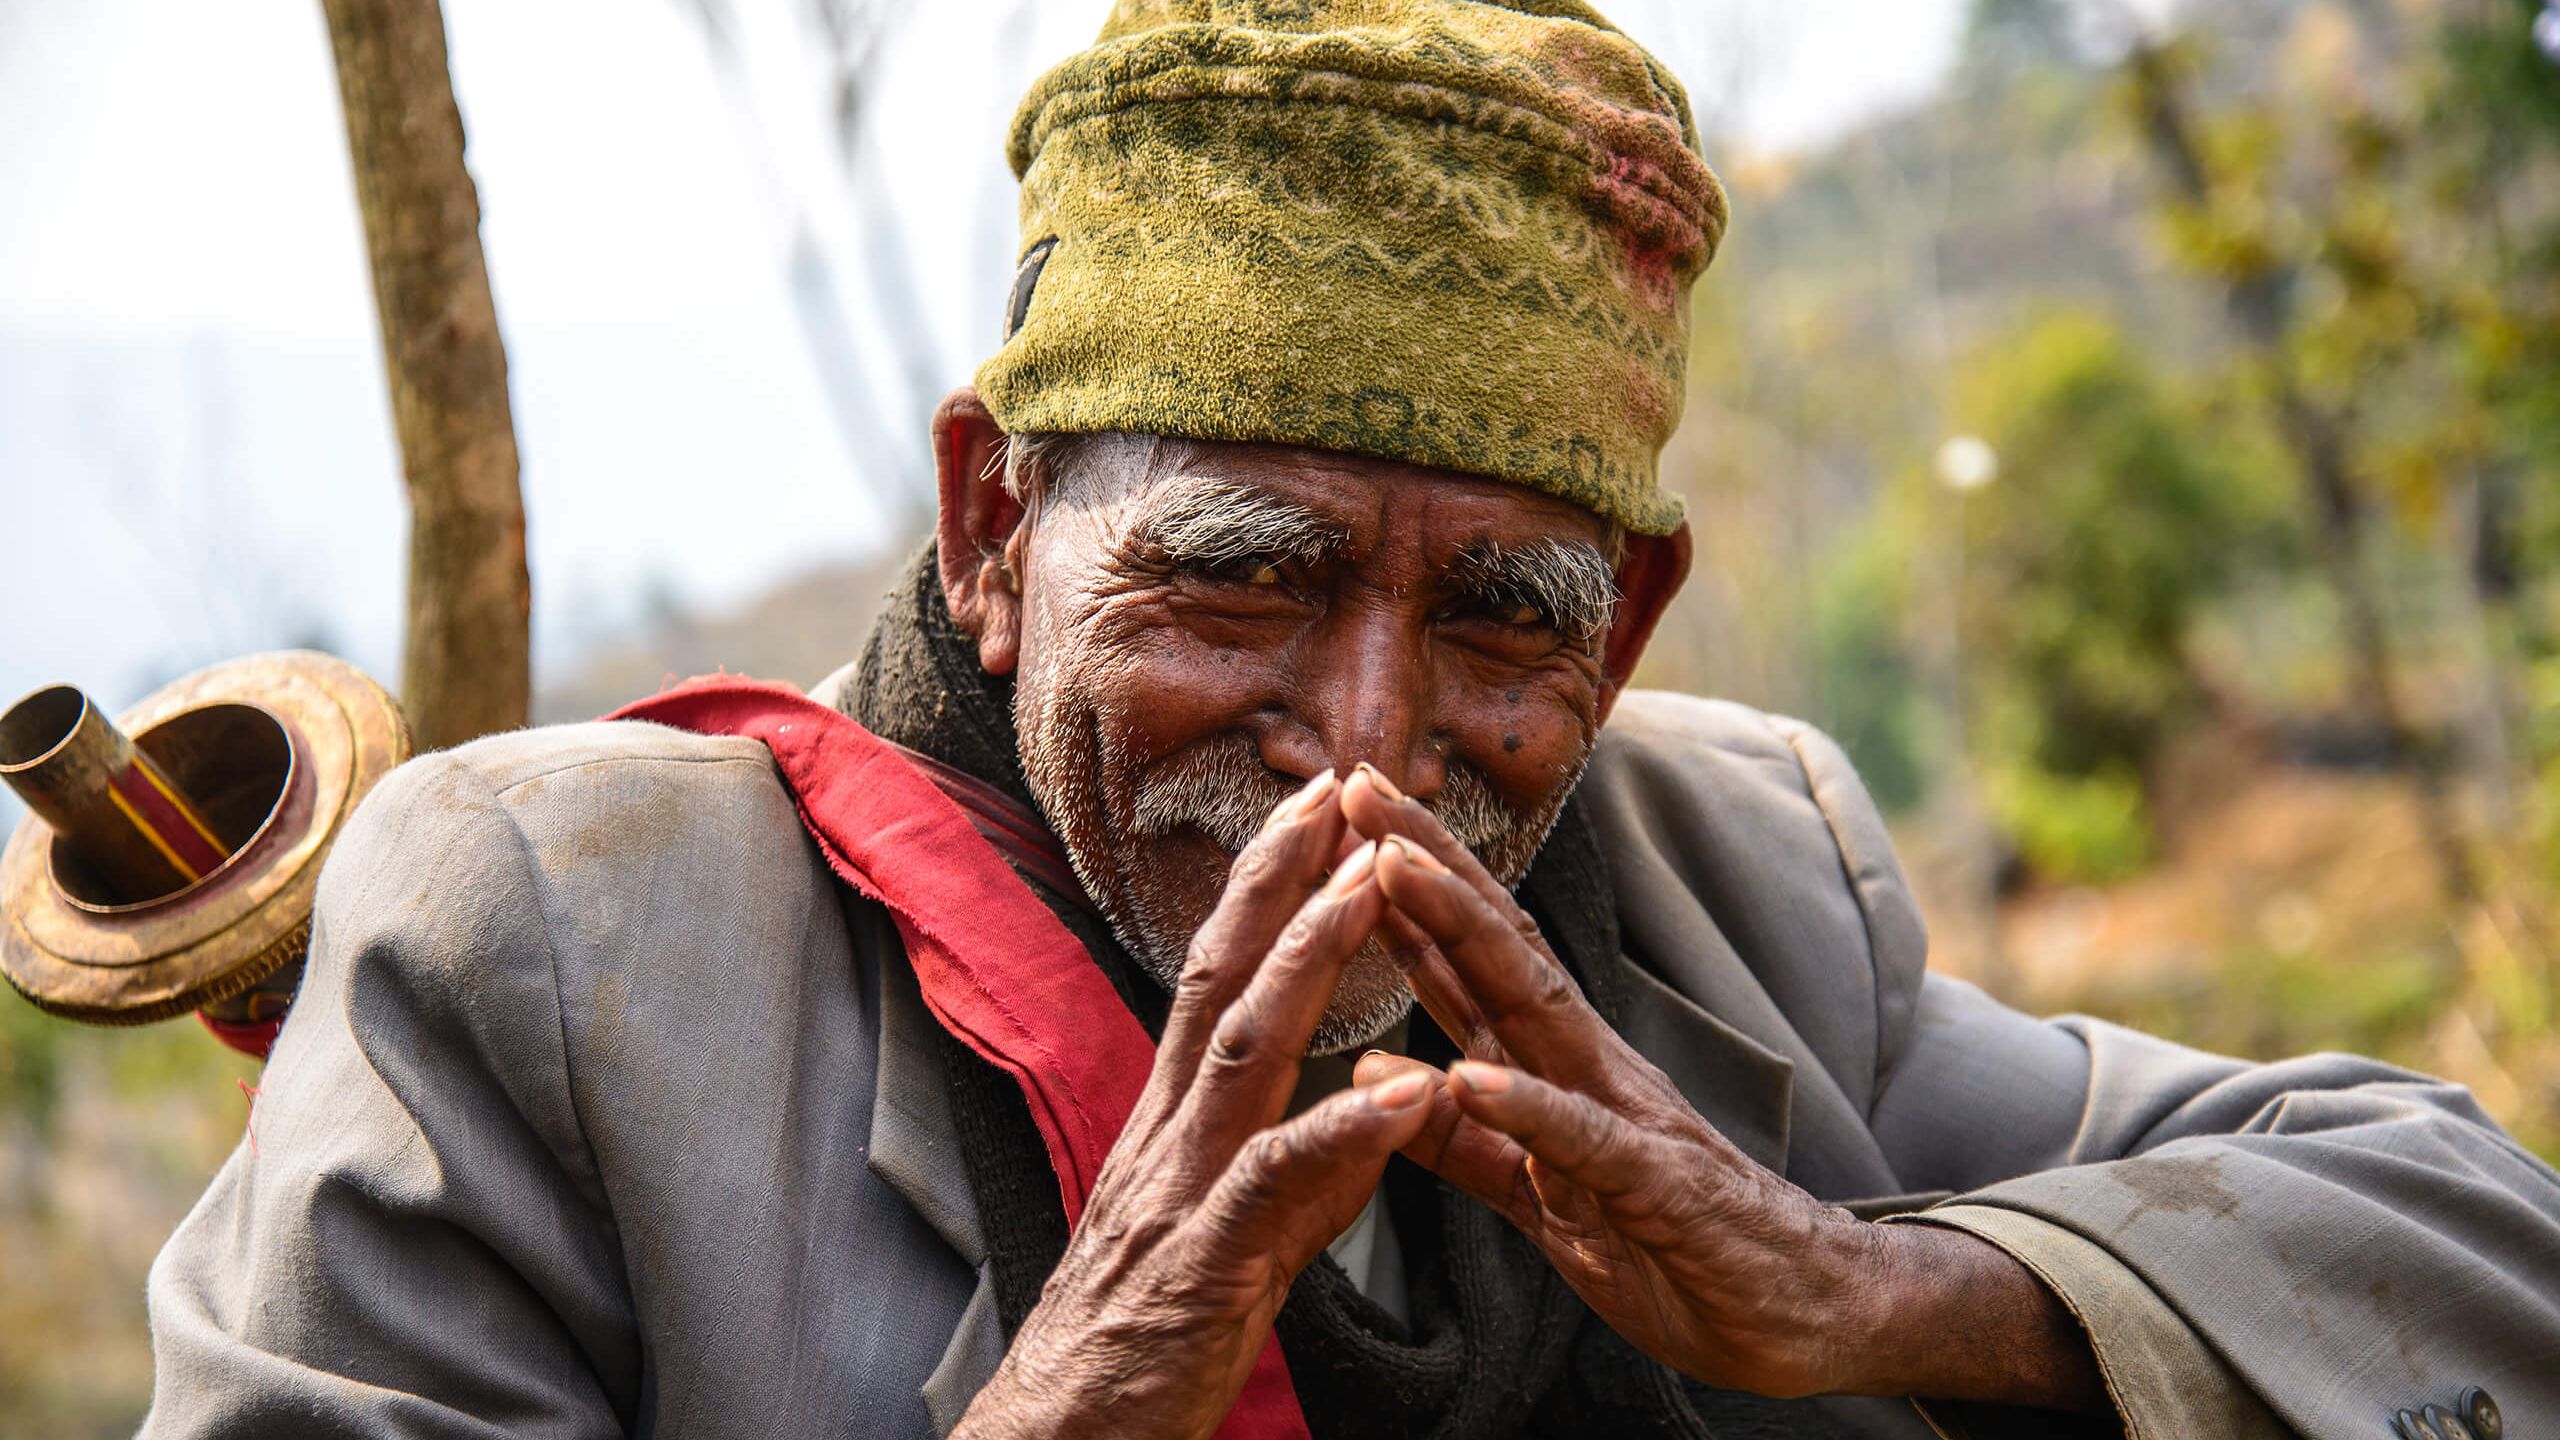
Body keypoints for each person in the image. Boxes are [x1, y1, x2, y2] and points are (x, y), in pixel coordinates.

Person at [143, 2, 2557, 1437]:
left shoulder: (1736, 876)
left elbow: (2464, 1236)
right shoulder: (551, 948)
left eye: (1502, 621)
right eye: (1245, 577)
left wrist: (1880, 1289)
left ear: (1620, 635)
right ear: (993, 526)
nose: (1373, 741)